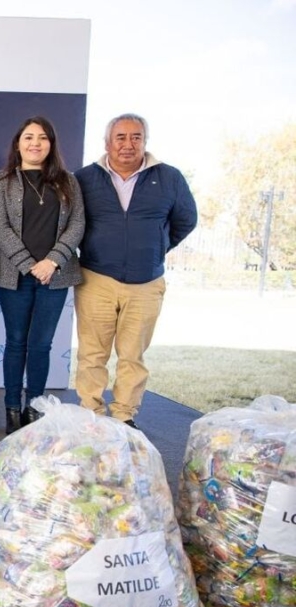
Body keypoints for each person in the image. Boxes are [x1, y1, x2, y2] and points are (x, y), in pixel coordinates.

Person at [74, 113, 197, 429]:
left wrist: (155, 248)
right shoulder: (85, 178)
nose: (128, 145)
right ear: (107, 143)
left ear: (145, 141)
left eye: (136, 137)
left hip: (146, 282)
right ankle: (91, 413)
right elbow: (73, 223)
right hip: (96, 278)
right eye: (121, 137)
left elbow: (186, 219)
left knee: (132, 356)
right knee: (92, 354)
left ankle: (125, 415)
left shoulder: (169, 177)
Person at [0, 116, 85, 434]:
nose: (35, 143)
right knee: (16, 342)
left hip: (55, 276)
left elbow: (77, 225)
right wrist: (29, 263)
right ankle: (12, 409)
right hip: (14, 275)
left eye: (42, 138)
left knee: (41, 344)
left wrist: (53, 261)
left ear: (51, 144)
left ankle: (35, 408)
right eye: (28, 137)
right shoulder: (2, 182)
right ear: (18, 143)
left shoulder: (68, 182)